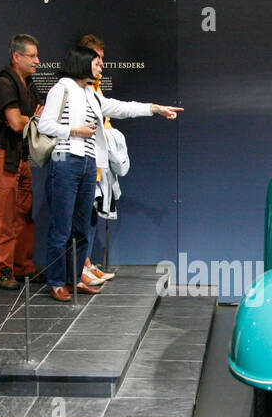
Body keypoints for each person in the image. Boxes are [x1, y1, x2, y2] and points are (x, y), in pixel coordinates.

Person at [37, 46, 181, 302]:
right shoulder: (62, 88)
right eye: (97, 62)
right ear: (82, 62)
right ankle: (57, 282)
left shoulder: (91, 93)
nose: (101, 65)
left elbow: (120, 107)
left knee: (82, 227)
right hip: (65, 161)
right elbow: (45, 124)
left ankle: (75, 279)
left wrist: (154, 108)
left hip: (89, 163)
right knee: (62, 227)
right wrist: (75, 131)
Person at [0, 34, 42, 290]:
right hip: (2, 156)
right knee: (4, 216)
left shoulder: (28, 84)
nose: (37, 61)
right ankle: (2, 269)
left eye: (37, 56)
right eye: (32, 56)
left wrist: (29, 118)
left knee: (23, 215)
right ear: (16, 56)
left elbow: (31, 118)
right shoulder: (4, 83)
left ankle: (22, 267)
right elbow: (16, 122)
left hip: (20, 156)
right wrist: (32, 118)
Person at [75, 34, 114, 288]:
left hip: (96, 164)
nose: (101, 63)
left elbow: (112, 110)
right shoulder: (71, 88)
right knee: (79, 218)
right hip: (78, 162)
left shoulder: (94, 87)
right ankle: (78, 270)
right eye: (96, 58)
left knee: (90, 216)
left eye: (102, 58)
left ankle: (86, 264)